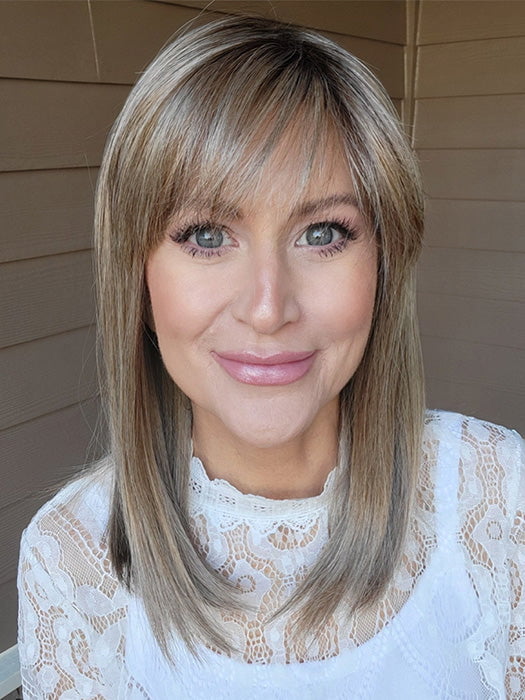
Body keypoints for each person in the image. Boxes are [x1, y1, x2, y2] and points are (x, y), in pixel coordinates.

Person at [17, 15, 524, 699]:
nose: (267, 307)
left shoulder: (497, 496)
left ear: (386, 261)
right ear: (137, 273)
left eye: (322, 233)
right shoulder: (71, 559)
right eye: (206, 235)